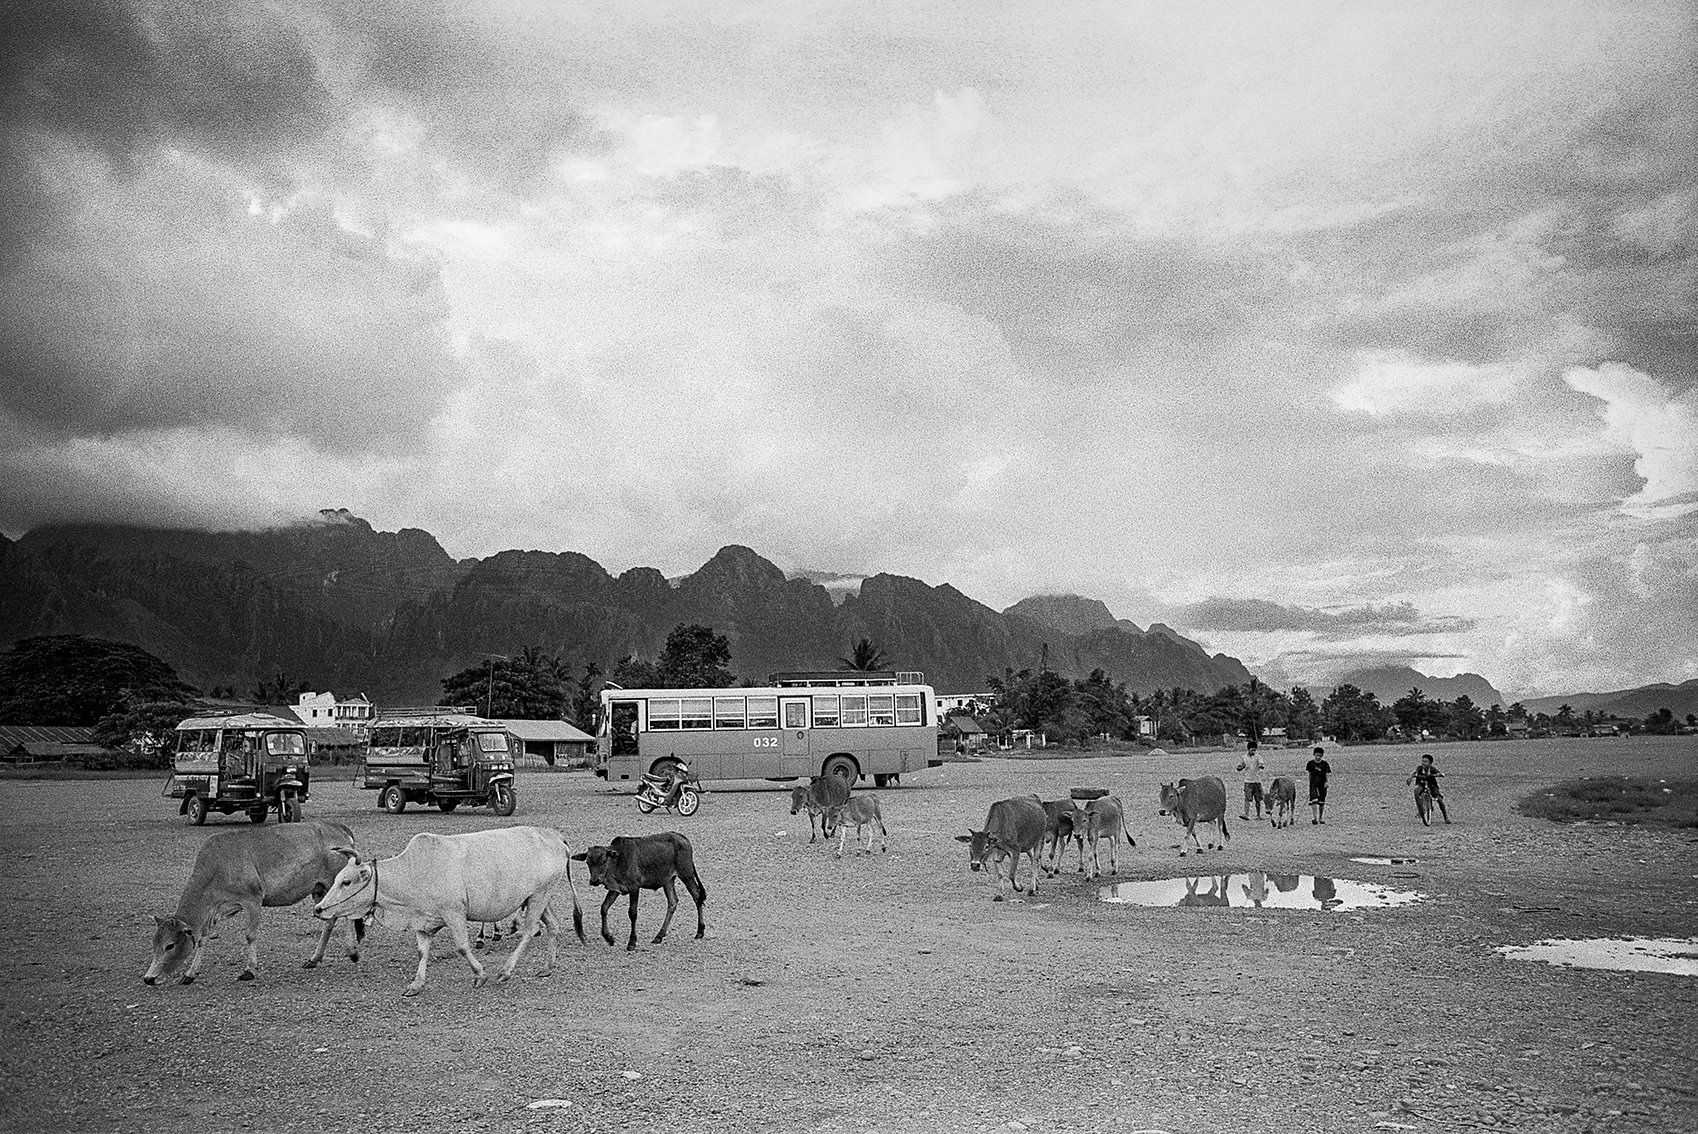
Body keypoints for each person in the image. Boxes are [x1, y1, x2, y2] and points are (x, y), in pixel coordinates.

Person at [1406, 753, 1450, 823]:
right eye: (1422, 761)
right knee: (1417, 791)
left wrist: (1440, 774)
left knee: (1439, 800)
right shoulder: (1420, 768)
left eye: (1426, 762)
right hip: (1421, 784)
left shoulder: (1432, 769)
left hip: (1432, 785)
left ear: (1430, 763)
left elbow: (1439, 773)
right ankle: (1421, 809)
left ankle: (1446, 817)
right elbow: (1414, 772)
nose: (1423, 763)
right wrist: (1410, 777)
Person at [1236, 739, 1266, 820]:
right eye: (1252, 750)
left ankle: (1258, 815)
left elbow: (1261, 763)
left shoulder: (1258, 757)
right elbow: (1239, 767)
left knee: (1258, 799)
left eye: (1255, 750)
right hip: (1248, 781)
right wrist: (1241, 767)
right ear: (1248, 749)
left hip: (1257, 781)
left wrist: (1261, 766)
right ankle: (1246, 814)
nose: (1253, 752)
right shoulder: (1243, 757)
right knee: (1247, 798)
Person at [1305, 745, 1331, 824]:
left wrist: (1326, 782)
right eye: (1317, 755)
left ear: (1322, 756)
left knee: (1321, 802)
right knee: (1313, 801)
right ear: (1314, 755)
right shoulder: (1310, 764)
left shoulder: (1325, 764)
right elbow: (1309, 773)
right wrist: (1310, 783)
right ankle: (1315, 818)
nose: (1318, 757)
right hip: (1313, 784)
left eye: (1320, 756)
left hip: (1322, 784)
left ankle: (1321, 818)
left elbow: (1327, 773)